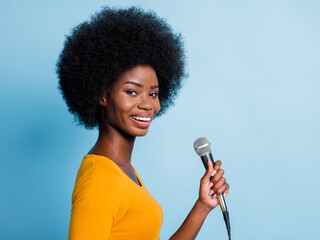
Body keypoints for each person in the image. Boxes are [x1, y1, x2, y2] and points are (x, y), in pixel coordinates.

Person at [57, 6, 230, 240]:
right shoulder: (101, 181)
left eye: (153, 93)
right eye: (132, 92)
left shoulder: (123, 171)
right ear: (102, 94)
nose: (148, 105)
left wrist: (202, 205)